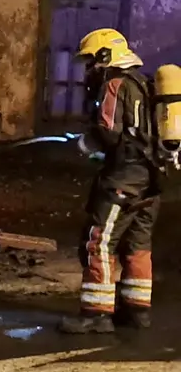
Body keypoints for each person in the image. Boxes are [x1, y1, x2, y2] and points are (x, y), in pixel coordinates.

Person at [60, 29, 163, 334]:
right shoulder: (144, 83)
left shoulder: (115, 84)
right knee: (138, 244)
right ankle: (136, 311)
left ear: (105, 56)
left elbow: (108, 132)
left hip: (124, 179)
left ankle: (96, 314)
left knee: (100, 242)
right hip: (151, 179)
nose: (89, 69)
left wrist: (81, 145)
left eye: (91, 61)